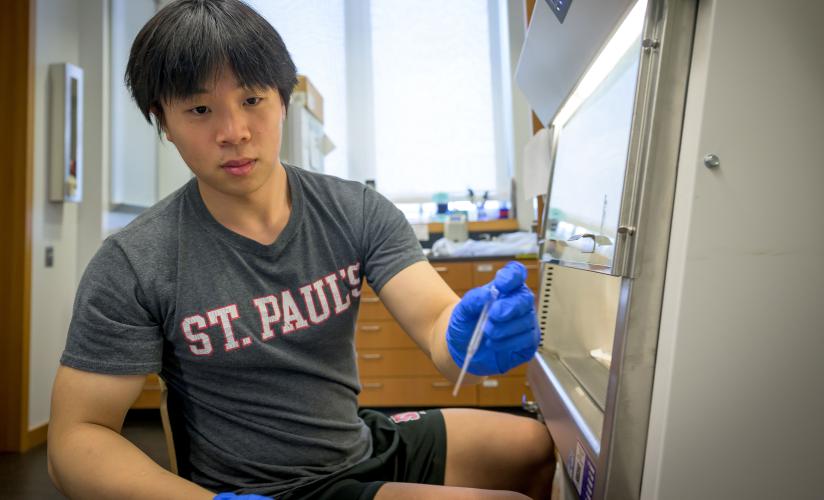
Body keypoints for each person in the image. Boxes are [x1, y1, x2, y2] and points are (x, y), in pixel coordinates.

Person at [46, 1, 555, 498]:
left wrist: (468, 338)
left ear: (283, 99)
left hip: (351, 441)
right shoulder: (136, 262)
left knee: (531, 444)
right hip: (266, 488)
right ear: (164, 120)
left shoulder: (353, 208)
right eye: (200, 109)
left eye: (252, 100)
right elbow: (77, 438)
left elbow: (436, 321)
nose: (234, 132)